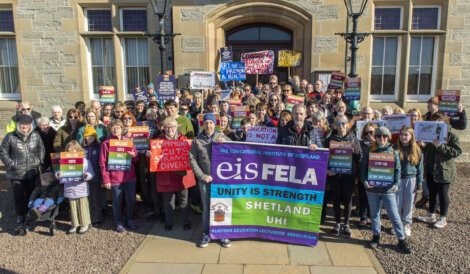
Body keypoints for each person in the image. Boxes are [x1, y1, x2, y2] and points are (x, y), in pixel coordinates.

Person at [360, 126, 411, 254]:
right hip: (373, 189)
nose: (381, 138)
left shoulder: (393, 151)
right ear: (375, 137)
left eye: (384, 136)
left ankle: (401, 239)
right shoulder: (370, 150)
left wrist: (397, 183)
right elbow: (363, 168)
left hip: (388, 189)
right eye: (378, 136)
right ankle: (376, 236)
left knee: (394, 215)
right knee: (375, 214)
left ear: (388, 138)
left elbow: (398, 170)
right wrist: (364, 180)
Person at [190, 113, 232, 248]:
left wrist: (225, 143)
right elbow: (192, 160)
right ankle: (206, 233)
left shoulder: (222, 137)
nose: (209, 125)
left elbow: (235, 149)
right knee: (207, 207)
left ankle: (222, 233)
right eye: (206, 123)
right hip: (206, 180)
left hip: (222, 180)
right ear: (203, 124)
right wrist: (202, 176)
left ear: (215, 124)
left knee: (221, 205)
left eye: (211, 123)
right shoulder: (197, 141)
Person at [416, 112, 462, 228]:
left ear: (444, 122)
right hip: (432, 169)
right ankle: (431, 214)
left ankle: (443, 218)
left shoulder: (451, 135)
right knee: (432, 193)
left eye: (439, 122)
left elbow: (456, 152)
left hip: (444, 170)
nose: (436, 124)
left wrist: (440, 146)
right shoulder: (430, 133)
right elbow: (427, 151)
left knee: (443, 194)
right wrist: (423, 146)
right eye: (434, 121)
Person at [0, 114, 45, 224]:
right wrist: (11, 163)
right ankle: (20, 214)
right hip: (16, 173)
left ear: (30, 125)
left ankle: (30, 213)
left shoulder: (35, 135)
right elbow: (3, 152)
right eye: (22, 124)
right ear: (18, 124)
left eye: (27, 124)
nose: (24, 126)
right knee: (19, 195)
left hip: (31, 171)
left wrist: (38, 161)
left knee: (31, 194)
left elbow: (41, 149)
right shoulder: (10, 136)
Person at [154, 117, 195, 231]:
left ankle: (186, 221)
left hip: (182, 176)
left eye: (172, 126)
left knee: (184, 201)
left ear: (177, 127)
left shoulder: (185, 140)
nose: (170, 129)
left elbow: (191, 157)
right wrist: (150, 155)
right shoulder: (158, 141)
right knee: (168, 202)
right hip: (166, 176)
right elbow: (153, 161)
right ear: (163, 128)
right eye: (167, 127)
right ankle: (168, 223)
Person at [326, 115, 362, 237]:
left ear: (347, 124)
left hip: (349, 175)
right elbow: (325, 156)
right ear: (335, 125)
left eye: (343, 123)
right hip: (335, 175)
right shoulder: (330, 139)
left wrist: (355, 150)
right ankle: (337, 223)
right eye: (338, 123)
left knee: (347, 200)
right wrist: (327, 170)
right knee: (335, 200)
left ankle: (346, 224)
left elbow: (360, 158)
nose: (341, 126)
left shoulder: (353, 139)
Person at [100, 119, 138, 232]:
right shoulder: (106, 143)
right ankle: (118, 222)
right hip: (115, 177)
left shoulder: (128, 141)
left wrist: (133, 155)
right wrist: (106, 179)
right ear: (110, 129)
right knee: (117, 201)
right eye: (113, 127)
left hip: (130, 176)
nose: (116, 129)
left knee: (130, 199)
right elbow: (102, 163)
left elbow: (136, 159)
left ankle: (129, 219)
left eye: (118, 127)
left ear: (122, 129)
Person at [56, 141, 94, 234]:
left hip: (81, 188)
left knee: (82, 206)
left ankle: (85, 224)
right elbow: (57, 173)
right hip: (69, 188)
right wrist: (58, 174)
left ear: (78, 150)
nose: (71, 152)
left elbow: (91, 172)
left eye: (74, 150)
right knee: (73, 208)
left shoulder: (85, 161)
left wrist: (86, 175)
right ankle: (74, 224)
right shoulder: (63, 161)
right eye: (69, 150)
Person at [396, 127, 423, 236]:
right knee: (397, 203)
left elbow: (420, 168)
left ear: (411, 136)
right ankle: (396, 224)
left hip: (411, 179)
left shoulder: (416, 149)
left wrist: (420, 184)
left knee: (408, 203)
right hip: (397, 179)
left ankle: (406, 224)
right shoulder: (395, 148)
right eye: (401, 134)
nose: (403, 137)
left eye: (406, 135)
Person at [82, 126, 105, 226]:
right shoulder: (82, 149)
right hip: (84, 178)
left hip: (96, 176)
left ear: (95, 137)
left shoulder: (99, 147)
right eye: (87, 136)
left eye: (92, 136)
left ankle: (96, 218)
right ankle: (88, 217)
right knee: (87, 198)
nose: (89, 138)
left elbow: (102, 162)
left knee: (96, 198)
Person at [357, 123, 378, 227]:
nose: (369, 135)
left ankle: (373, 218)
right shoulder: (360, 143)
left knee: (375, 198)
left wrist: (375, 143)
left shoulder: (380, 143)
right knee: (363, 197)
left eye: (371, 132)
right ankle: (363, 217)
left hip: (376, 174)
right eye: (366, 133)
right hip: (363, 173)